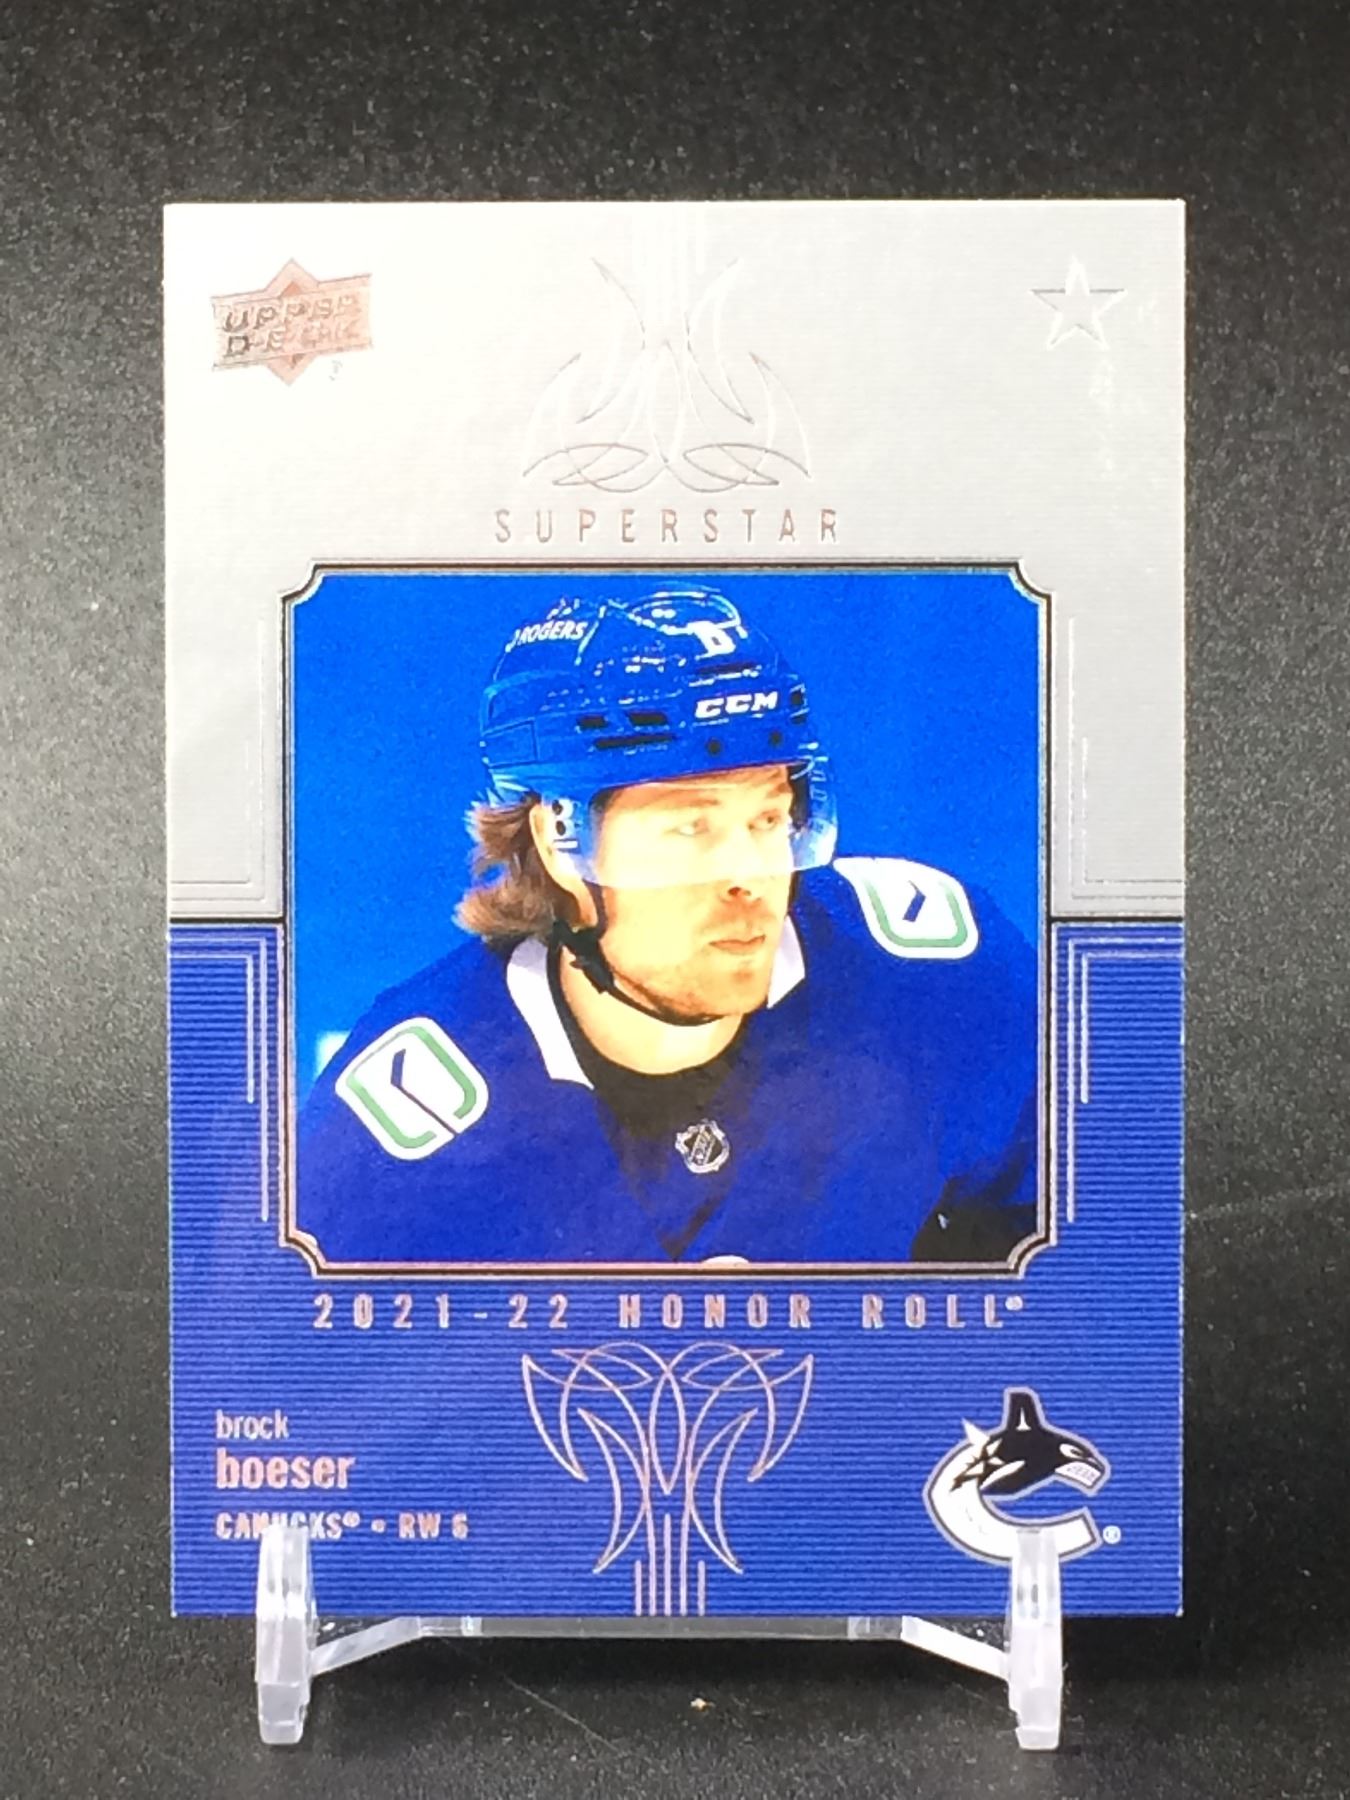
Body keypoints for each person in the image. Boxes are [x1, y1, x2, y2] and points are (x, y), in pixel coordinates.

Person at [295, 586, 1038, 1266]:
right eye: (691, 829)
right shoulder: (397, 1142)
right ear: (559, 842)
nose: (750, 877)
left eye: (768, 818)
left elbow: (1080, 1251)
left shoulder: (936, 984)